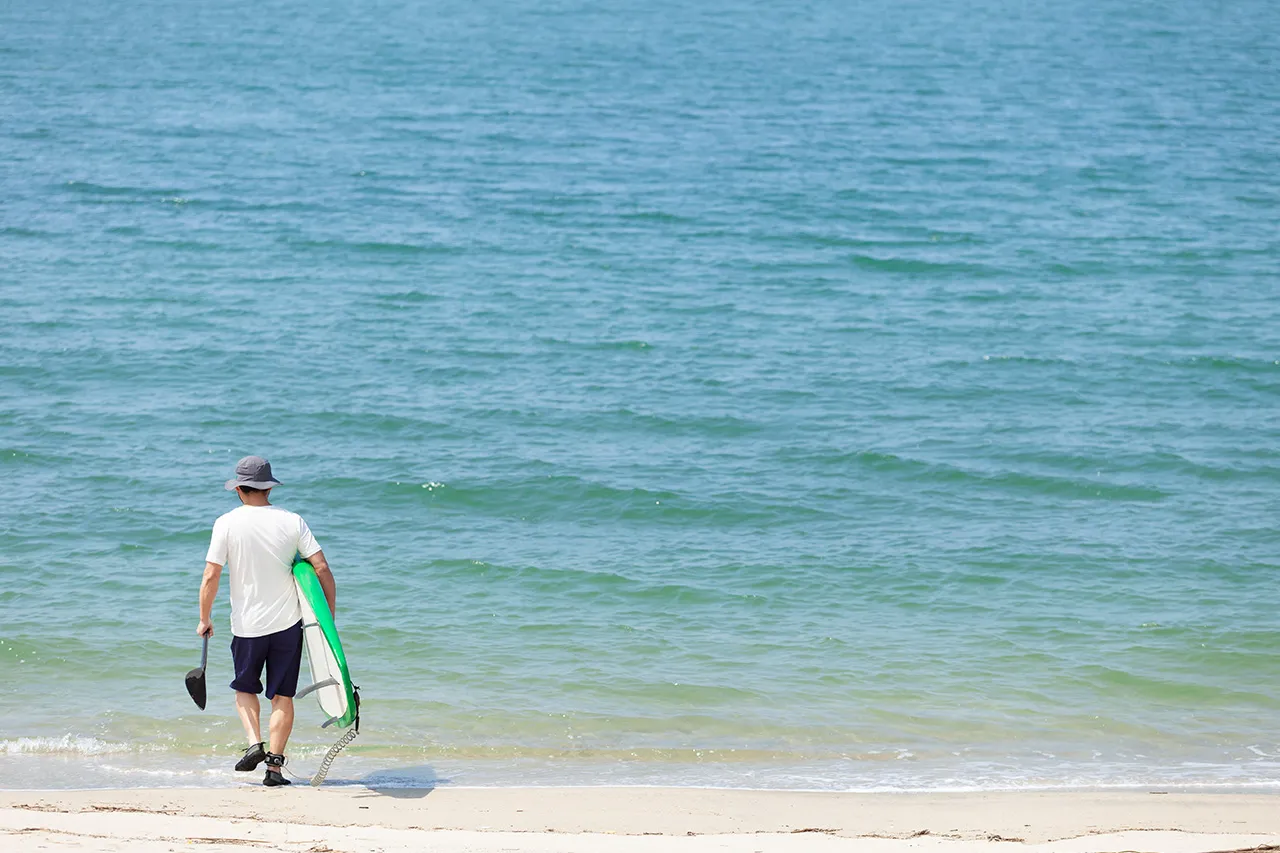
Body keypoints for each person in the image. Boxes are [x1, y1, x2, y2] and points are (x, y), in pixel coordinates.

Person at [196, 456, 336, 787]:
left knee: (245, 688)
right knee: (281, 697)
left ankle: (254, 744)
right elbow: (321, 568)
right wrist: (327, 617)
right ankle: (274, 769)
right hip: (288, 625)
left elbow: (211, 574)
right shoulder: (292, 521)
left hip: (246, 626)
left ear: (239, 490)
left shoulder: (226, 523)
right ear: (269, 487)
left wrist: (204, 618)